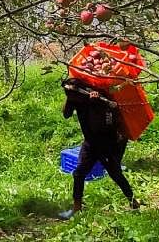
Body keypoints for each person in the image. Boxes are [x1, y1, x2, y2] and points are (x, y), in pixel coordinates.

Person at [58, 77, 138, 219]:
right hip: (90, 143)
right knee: (78, 174)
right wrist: (69, 98)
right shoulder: (75, 99)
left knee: (115, 173)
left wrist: (95, 103)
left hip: (106, 144)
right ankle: (76, 208)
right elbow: (66, 114)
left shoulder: (99, 98)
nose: (69, 94)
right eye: (66, 92)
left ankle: (133, 201)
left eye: (71, 92)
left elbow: (107, 123)